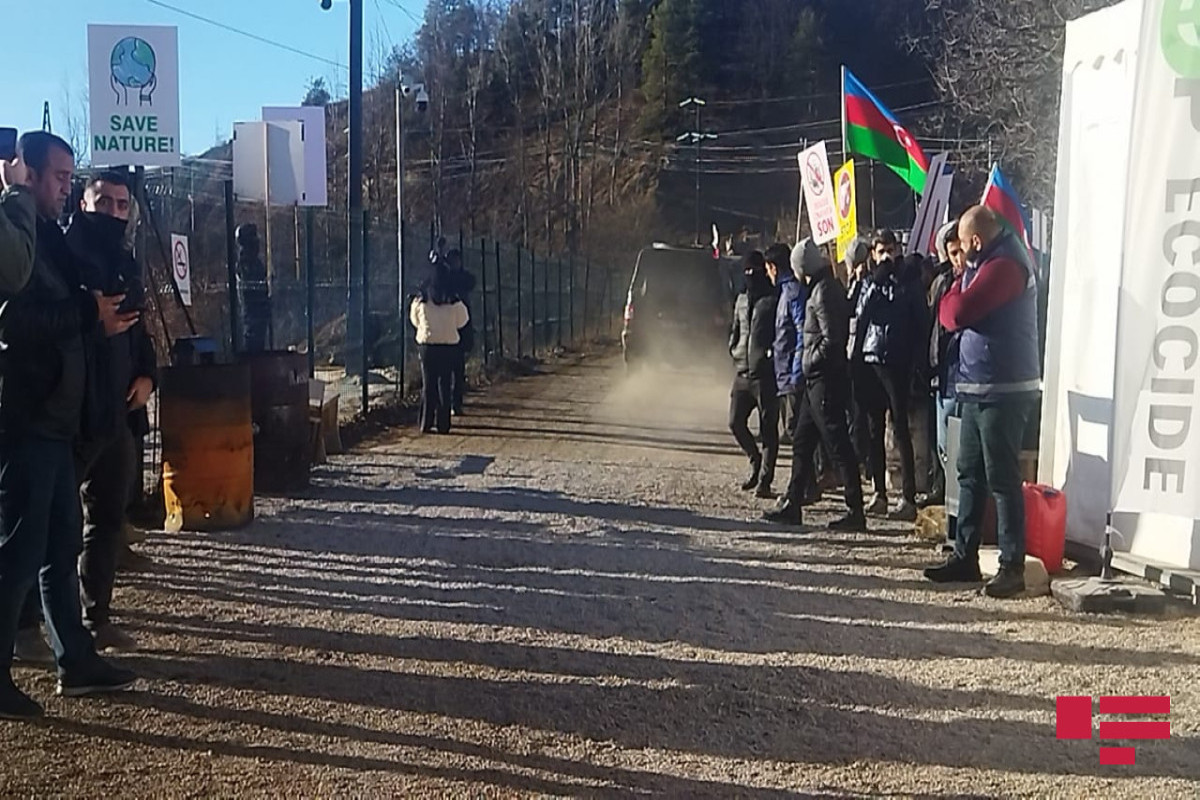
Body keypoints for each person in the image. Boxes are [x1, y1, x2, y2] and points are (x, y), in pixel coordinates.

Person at [0, 132, 139, 720]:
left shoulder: (47, 238)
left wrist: (97, 321)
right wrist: (88, 313)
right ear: (27, 173)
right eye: (58, 176)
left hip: (56, 419)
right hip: (28, 417)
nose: (64, 186)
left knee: (59, 544)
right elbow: (14, 321)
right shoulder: (18, 232)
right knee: (19, 550)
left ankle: (74, 659)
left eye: (67, 176)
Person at [924, 206, 1040, 598]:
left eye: (963, 245)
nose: (958, 257)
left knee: (1002, 478)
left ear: (977, 240)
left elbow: (955, 312)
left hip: (1004, 387)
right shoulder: (982, 261)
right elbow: (951, 307)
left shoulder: (1005, 265)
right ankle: (964, 555)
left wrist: (955, 292)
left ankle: (1012, 566)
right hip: (976, 384)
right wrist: (956, 290)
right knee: (968, 472)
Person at [66, 172, 156, 651]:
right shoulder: (65, 255)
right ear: (84, 201)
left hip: (118, 411)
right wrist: (91, 323)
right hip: (74, 414)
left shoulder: (124, 259)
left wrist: (147, 377)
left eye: (122, 205)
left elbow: (141, 332)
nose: (113, 212)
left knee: (106, 518)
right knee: (57, 525)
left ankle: (96, 616)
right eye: (104, 202)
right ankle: (31, 626)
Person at [764, 239, 866, 531]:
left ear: (802, 267)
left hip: (823, 378)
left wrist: (809, 359)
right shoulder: (825, 286)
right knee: (802, 440)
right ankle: (792, 502)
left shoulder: (822, 292)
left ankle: (854, 510)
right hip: (816, 379)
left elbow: (833, 339)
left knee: (837, 442)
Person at [853, 243, 929, 522]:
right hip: (872, 358)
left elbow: (921, 322)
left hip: (898, 362)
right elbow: (860, 313)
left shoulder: (908, 282)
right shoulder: (871, 282)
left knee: (900, 430)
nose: (885, 256)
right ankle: (878, 492)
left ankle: (907, 496)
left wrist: (918, 363)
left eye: (890, 250)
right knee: (873, 429)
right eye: (880, 250)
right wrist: (874, 283)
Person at [921, 219, 966, 509]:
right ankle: (950, 503)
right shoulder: (942, 283)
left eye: (961, 251)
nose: (959, 259)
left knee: (958, 449)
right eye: (952, 253)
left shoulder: (973, 282)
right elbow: (933, 325)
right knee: (943, 445)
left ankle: (958, 514)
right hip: (942, 374)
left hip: (963, 374)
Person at [728, 251, 779, 498]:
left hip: (765, 375)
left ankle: (765, 482)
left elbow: (781, 333)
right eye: (746, 271)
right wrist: (734, 349)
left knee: (769, 430)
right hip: (742, 372)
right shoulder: (740, 299)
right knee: (735, 422)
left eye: (754, 271)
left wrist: (772, 357)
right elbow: (735, 330)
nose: (750, 275)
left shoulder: (773, 299)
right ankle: (754, 460)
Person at [410, 265, 469, 434]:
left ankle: (425, 422)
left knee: (428, 384)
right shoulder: (454, 300)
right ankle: (443, 424)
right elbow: (463, 321)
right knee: (445, 383)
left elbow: (415, 320)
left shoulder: (421, 300)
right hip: (449, 345)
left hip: (427, 345)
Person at [443, 249, 475, 416]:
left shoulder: (463, 279)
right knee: (446, 370)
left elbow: (471, 282)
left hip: (460, 329)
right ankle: (448, 403)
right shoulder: (444, 279)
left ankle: (456, 402)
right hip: (446, 328)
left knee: (458, 369)